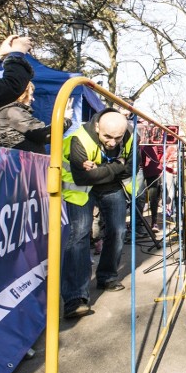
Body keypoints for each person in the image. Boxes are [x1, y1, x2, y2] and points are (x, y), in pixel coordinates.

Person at [61, 109, 141, 319]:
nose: (113, 143)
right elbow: (81, 178)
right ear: (97, 127)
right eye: (107, 137)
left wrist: (99, 171)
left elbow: (131, 168)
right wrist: (116, 166)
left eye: (118, 138)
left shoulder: (132, 136)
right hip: (81, 191)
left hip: (110, 188)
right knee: (78, 236)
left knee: (118, 230)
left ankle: (106, 276)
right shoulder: (80, 138)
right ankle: (75, 297)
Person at [0, 81, 72, 154]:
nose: (33, 99)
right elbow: (43, 134)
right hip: (22, 163)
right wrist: (65, 120)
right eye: (31, 95)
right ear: (22, 95)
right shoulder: (13, 112)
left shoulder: (8, 111)